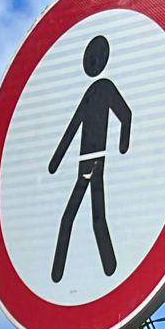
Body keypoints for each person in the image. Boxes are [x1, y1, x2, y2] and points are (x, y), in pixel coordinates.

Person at [48, 34, 132, 284]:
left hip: (97, 161)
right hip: (83, 161)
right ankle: (57, 276)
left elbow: (126, 114)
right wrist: (56, 160)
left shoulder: (105, 88)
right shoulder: (90, 92)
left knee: (97, 217)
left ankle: (110, 270)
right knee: (70, 217)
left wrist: (123, 146)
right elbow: (73, 127)